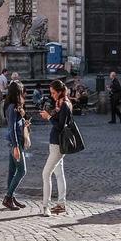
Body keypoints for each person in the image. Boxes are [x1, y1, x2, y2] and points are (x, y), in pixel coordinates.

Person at [39, 79, 72, 216]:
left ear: (59, 92)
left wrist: (48, 117)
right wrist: (51, 114)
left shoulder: (64, 104)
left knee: (46, 174)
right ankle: (61, 204)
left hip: (58, 145)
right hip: (55, 144)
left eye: (53, 93)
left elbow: (60, 126)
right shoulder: (60, 104)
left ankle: (45, 206)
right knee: (59, 174)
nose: (52, 95)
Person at [3, 82, 29, 211]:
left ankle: (11, 197)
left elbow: (15, 125)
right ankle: (8, 197)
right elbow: (12, 128)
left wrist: (24, 123)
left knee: (12, 171)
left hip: (14, 142)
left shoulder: (13, 106)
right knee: (22, 170)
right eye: (21, 91)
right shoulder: (12, 107)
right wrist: (16, 146)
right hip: (15, 142)